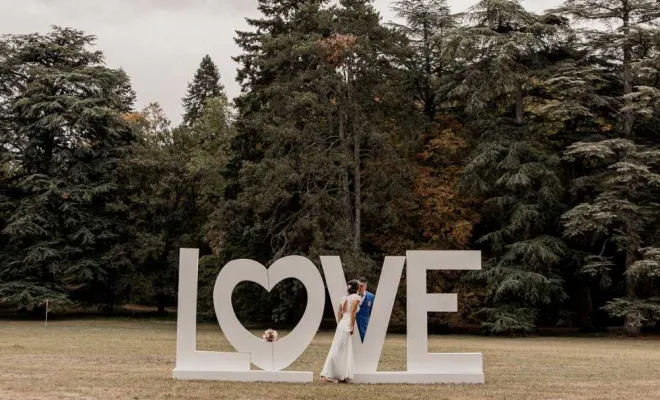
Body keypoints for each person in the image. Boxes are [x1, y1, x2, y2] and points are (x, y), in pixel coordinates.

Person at [320, 279, 361, 383]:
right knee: (344, 349)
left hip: (342, 323)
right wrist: (352, 326)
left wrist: (340, 323)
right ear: (357, 288)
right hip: (347, 323)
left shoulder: (344, 298)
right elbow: (352, 313)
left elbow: (339, 312)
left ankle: (339, 374)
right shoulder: (356, 297)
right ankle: (334, 374)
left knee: (338, 347)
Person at [356, 277, 374, 342]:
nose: (359, 288)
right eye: (358, 285)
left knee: (365, 341)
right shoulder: (352, 295)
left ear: (365, 286)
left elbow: (372, 311)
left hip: (365, 324)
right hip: (354, 322)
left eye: (361, 286)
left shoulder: (371, 296)